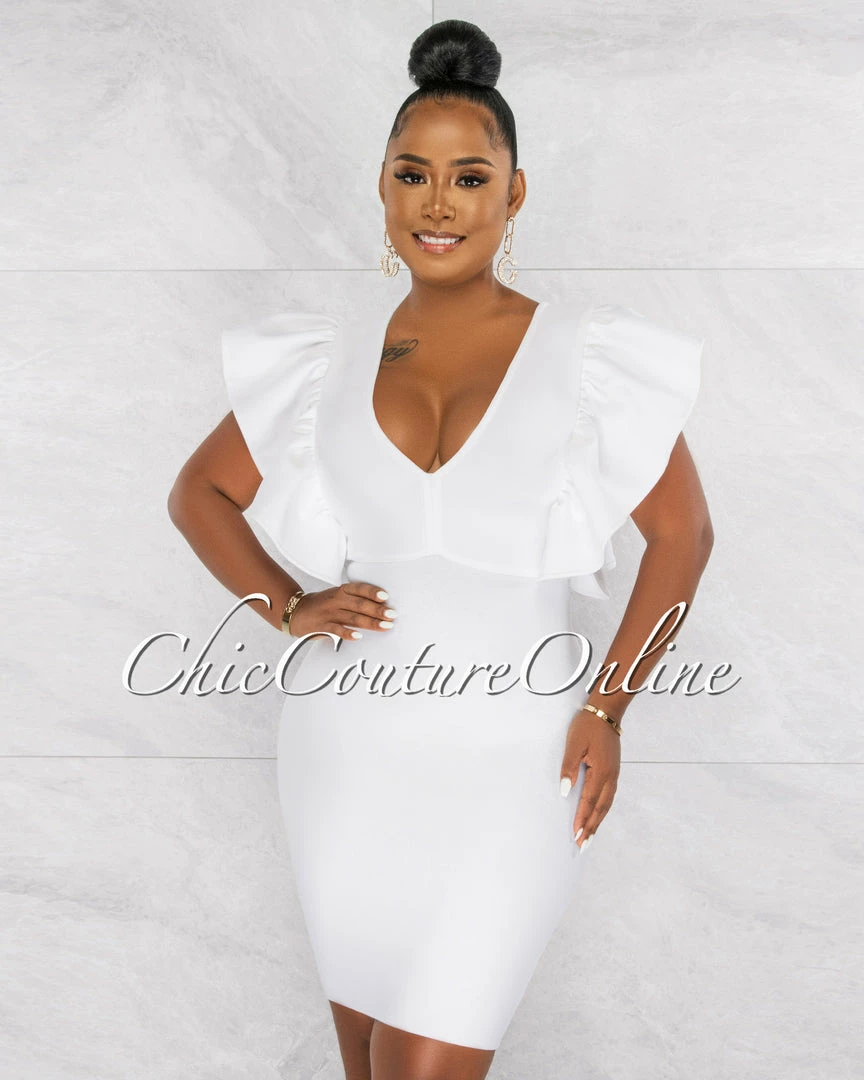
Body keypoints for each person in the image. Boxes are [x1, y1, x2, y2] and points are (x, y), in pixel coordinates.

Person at [167, 18, 713, 1080]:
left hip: (516, 762)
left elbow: (683, 535)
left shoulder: (588, 359)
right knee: (369, 1061)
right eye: (414, 175)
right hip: (345, 753)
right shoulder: (326, 362)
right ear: (382, 189)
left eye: (471, 178)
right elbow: (200, 494)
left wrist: (608, 707)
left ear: (515, 194)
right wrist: (287, 606)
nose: (439, 201)